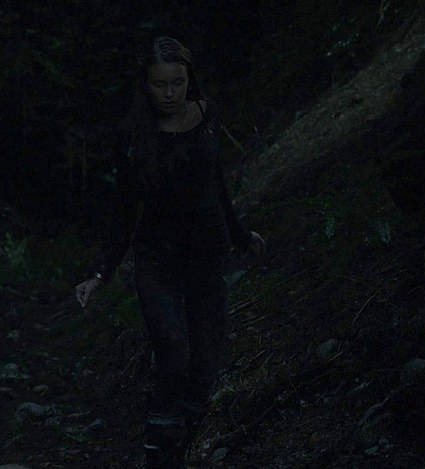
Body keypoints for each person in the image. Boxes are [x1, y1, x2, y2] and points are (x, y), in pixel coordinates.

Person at [75, 37, 265, 468]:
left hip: (206, 254)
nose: (169, 93)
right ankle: (159, 453)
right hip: (157, 257)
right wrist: (100, 272)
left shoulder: (206, 117)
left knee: (206, 361)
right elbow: (124, 207)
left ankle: (184, 442)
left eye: (177, 82)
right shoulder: (133, 134)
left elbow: (216, 185)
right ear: (146, 85)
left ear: (188, 80)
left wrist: (239, 237)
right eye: (159, 84)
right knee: (173, 347)